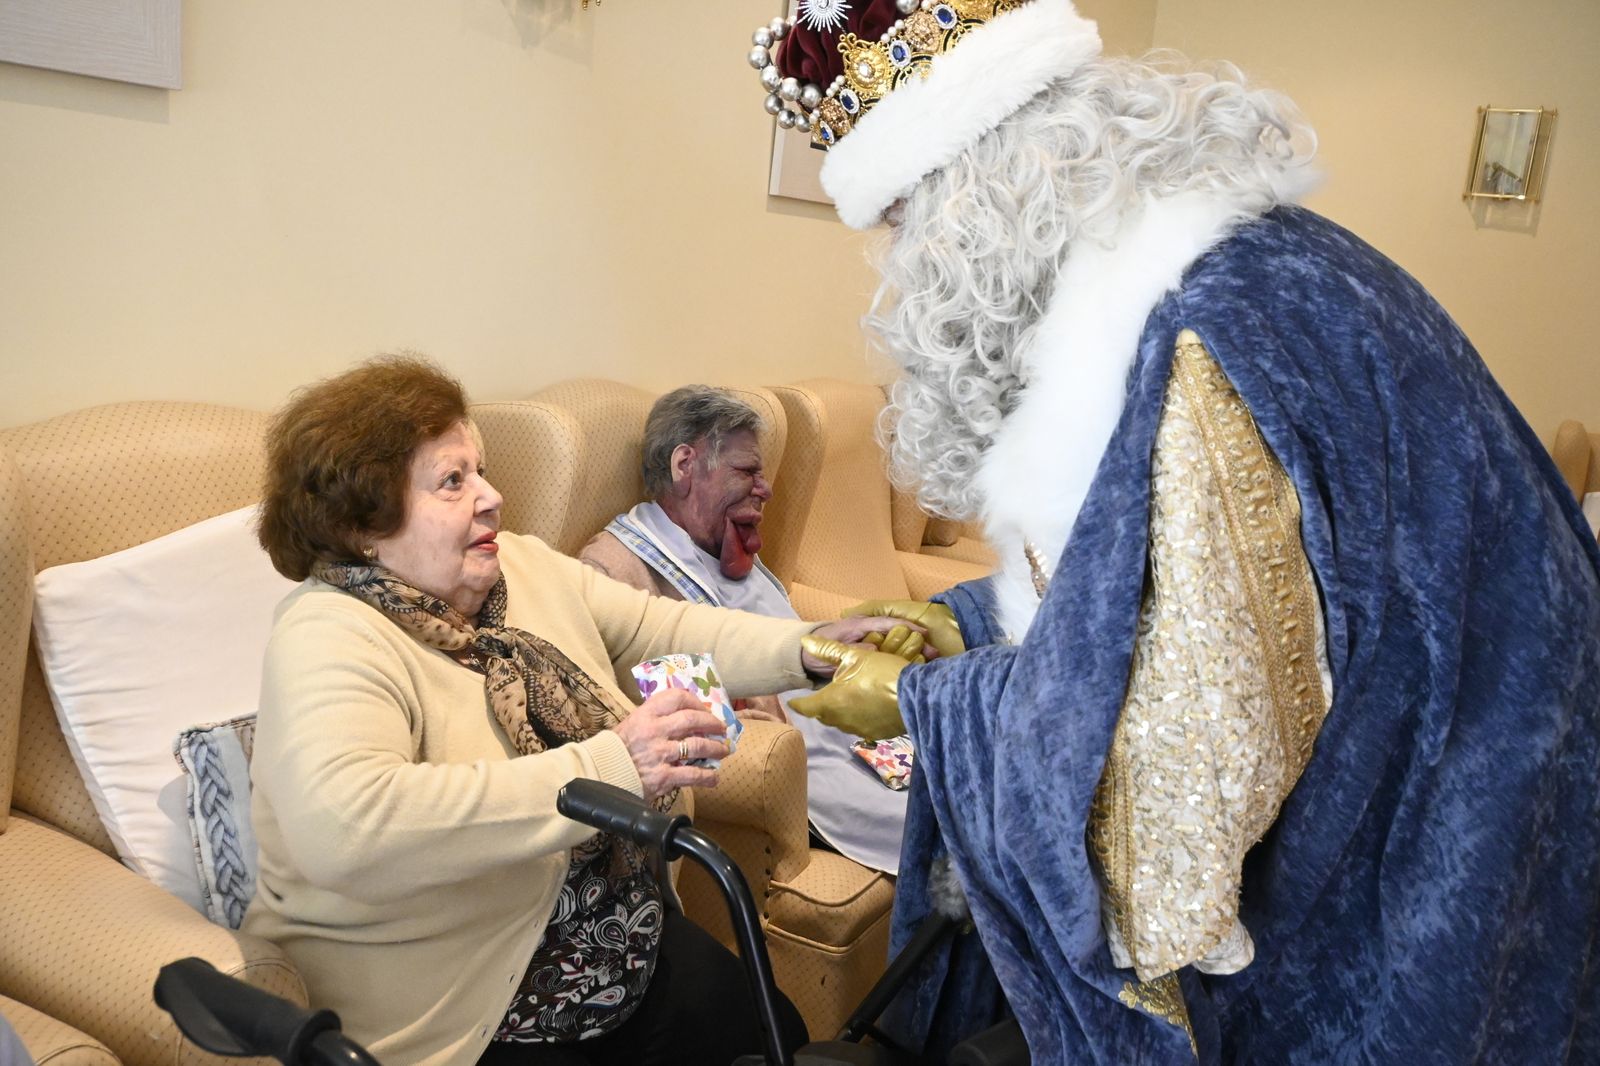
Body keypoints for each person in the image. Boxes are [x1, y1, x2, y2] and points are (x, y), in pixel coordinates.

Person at [747, 1, 1600, 1063]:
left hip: (1415, 884)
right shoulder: (1251, 277)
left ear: (980, 193)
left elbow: (1171, 804)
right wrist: (966, 616)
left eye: (903, 218)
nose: (900, 264)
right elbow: (1148, 579)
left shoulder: (1208, 348)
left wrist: (921, 702)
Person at [243, 355, 913, 1066]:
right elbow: (349, 826)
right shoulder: (329, 633)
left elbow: (664, 629)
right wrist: (612, 766)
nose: (492, 497)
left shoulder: (519, 568)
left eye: (481, 470)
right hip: (467, 995)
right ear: (362, 525)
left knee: (778, 1031)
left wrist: (810, 647)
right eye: (452, 481)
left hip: (616, 933)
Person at [579, 386, 928, 874]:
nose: (765, 489)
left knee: (973, 785)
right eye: (747, 472)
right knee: (948, 826)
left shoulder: (721, 543)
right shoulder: (618, 573)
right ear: (684, 466)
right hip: (797, 769)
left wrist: (844, 640)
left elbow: (778, 626)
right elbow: (691, 722)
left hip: (847, 735)